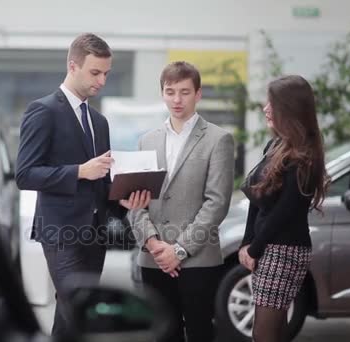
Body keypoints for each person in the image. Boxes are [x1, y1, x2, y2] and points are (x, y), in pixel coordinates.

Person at [15, 33, 146, 336]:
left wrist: (121, 199)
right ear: (73, 66)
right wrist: (78, 172)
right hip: (60, 231)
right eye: (95, 73)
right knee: (78, 305)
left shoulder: (99, 122)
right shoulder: (43, 111)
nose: (101, 81)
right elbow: (25, 174)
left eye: (106, 74)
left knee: (72, 314)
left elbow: (100, 180)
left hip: (95, 234)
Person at [128, 61, 235, 342]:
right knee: (161, 333)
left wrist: (180, 249)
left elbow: (217, 203)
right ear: (162, 93)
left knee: (200, 332)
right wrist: (153, 243)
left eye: (185, 92)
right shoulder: (146, 141)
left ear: (198, 94)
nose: (177, 99)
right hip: (153, 259)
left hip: (198, 259)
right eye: (170, 91)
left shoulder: (218, 139)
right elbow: (135, 201)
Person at [238, 75, 329, 342]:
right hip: (269, 247)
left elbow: (284, 212)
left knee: (264, 334)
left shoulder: (305, 156)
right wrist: (247, 242)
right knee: (270, 332)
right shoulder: (275, 145)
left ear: (290, 108)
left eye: (272, 103)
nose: (266, 108)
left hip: (285, 250)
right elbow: (258, 196)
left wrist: (255, 249)